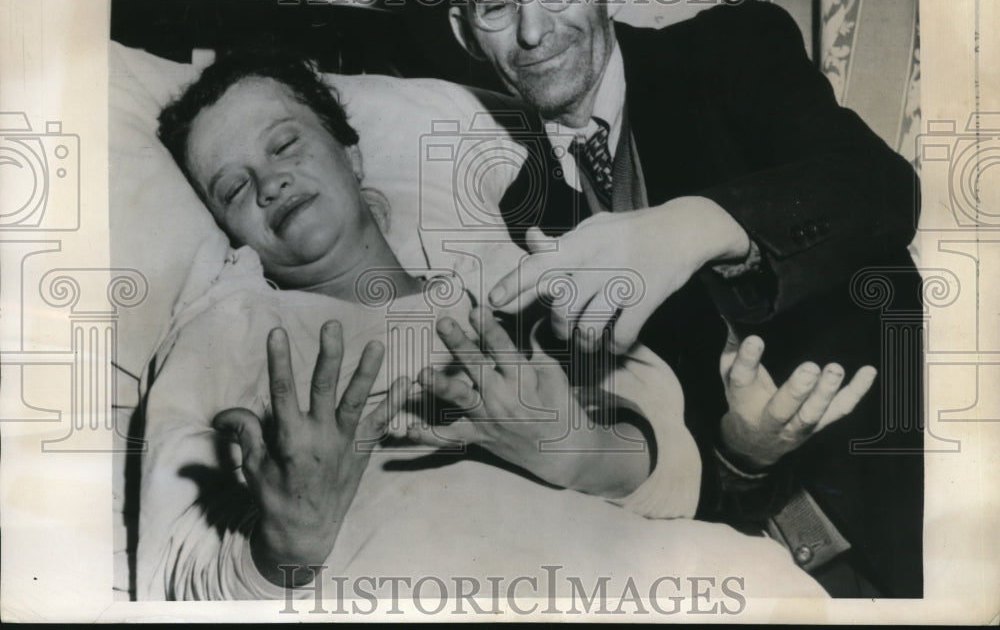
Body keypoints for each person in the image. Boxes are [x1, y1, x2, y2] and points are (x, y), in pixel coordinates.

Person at [145, 49, 869, 598]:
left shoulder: (516, 281)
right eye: (233, 187)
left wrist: (573, 447)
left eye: (284, 144)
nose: (268, 181)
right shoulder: (227, 328)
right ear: (226, 226)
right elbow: (169, 574)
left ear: (352, 152)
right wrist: (286, 546)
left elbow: (676, 470)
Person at [434, 0, 923, 597]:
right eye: (494, 2)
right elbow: (666, 451)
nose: (532, 30)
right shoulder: (517, 214)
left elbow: (882, 189)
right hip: (724, 554)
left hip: (894, 532)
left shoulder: (731, 52)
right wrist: (741, 453)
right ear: (467, 32)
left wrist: (694, 225)